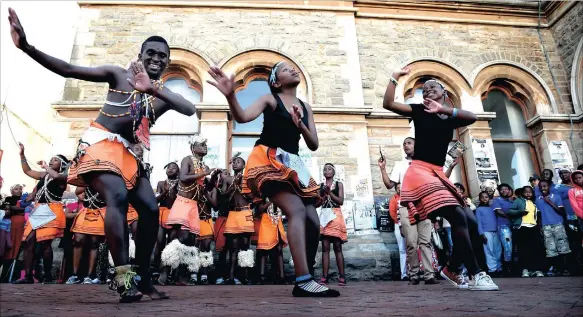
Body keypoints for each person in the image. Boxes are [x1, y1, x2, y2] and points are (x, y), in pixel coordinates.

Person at [9, 8, 198, 301]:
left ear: (167, 62)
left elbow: (190, 109)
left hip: (127, 155)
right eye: (151, 53)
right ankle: (123, 279)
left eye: (162, 56)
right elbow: (69, 69)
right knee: (118, 196)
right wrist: (27, 47)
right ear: (140, 54)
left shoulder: (160, 95)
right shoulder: (118, 74)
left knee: (149, 209)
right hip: (99, 144)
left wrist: (154, 90)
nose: (156, 59)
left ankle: (143, 277)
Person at [208, 62, 339, 297]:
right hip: (268, 159)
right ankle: (304, 280)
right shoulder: (270, 99)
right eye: (285, 69)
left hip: (293, 163)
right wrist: (230, 96)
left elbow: (314, 144)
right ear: (276, 82)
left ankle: (306, 275)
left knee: (312, 221)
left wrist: (300, 124)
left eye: (293, 68)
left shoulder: (306, 107)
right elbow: (243, 116)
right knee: (297, 210)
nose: (293, 70)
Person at [383, 66, 497, 290]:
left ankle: (452, 268)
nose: (427, 91)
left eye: (432, 88)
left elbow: (472, 117)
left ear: (444, 92)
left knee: (470, 221)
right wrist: (394, 78)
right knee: (456, 216)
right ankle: (477, 274)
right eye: (424, 89)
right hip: (419, 171)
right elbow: (388, 104)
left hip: (436, 171)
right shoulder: (418, 110)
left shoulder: (448, 117)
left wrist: (443, 110)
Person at [162, 136, 217, 286]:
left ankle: (180, 276)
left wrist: (213, 177)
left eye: (206, 145)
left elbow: (207, 189)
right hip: (183, 203)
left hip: (193, 206)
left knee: (190, 241)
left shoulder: (202, 164)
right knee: (182, 237)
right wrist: (203, 174)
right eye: (202, 145)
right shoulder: (187, 159)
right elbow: (183, 177)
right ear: (193, 148)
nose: (205, 147)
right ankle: (165, 271)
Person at [13, 143, 68, 284]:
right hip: (39, 209)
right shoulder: (44, 175)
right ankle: (28, 276)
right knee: (29, 241)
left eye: (55, 160)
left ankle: (48, 275)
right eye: (51, 159)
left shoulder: (63, 177)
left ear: (61, 165)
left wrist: (45, 166)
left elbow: (55, 176)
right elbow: (28, 171)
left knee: (45, 243)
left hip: (52, 209)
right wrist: (22, 154)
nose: (51, 161)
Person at [220, 156, 255, 285]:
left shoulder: (248, 179)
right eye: (234, 162)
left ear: (244, 165)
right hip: (233, 214)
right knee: (233, 247)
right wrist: (233, 184)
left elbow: (252, 197)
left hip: (245, 212)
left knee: (245, 247)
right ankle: (231, 277)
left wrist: (242, 185)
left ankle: (244, 276)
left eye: (238, 161)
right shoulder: (227, 179)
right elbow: (223, 195)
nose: (235, 163)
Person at [67, 187, 106, 284]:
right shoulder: (74, 204)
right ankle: (74, 274)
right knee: (78, 240)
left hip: (99, 210)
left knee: (94, 243)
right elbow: (77, 191)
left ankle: (90, 275)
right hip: (85, 211)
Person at [318, 163, 347, 286]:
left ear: (334, 172)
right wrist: (324, 195)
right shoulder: (321, 186)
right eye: (325, 169)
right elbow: (318, 203)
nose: (327, 170)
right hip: (325, 215)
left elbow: (340, 201)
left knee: (337, 247)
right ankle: (325, 276)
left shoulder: (339, 184)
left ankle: (342, 276)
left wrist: (330, 193)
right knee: (325, 248)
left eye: (329, 169)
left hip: (335, 215)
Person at [508, 186, 545, 277]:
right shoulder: (518, 201)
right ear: (522, 193)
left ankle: (536, 269)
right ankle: (525, 269)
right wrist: (520, 212)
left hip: (533, 227)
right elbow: (510, 211)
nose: (528, 194)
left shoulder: (533, 203)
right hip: (522, 227)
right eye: (526, 192)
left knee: (535, 249)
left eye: (530, 192)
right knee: (523, 249)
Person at [536, 179, 571, 276]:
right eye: (541, 187)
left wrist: (549, 202)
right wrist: (540, 227)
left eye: (545, 186)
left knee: (562, 246)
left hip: (558, 224)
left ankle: (565, 268)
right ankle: (557, 268)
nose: (543, 188)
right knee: (551, 248)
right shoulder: (538, 200)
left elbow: (562, 212)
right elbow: (539, 215)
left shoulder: (556, 197)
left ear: (549, 187)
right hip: (545, 225)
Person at [153, 162, 179, 280]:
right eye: (169, 167)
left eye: (174, 168)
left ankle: (168, 270)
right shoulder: (161, 183)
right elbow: (156, 199)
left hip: (174, 213)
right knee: (159, 242)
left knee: (171, 244)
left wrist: (175, 189)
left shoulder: (180, 184)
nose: (170, 169)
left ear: (178, 172)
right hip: (162, 213)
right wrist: (165, 191)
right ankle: (156, 269)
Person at [194, 168, 219, 285]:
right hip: (194, 221)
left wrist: (205, 193)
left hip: (207, 221)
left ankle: (204, 275)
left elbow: (215, 205)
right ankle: (193, 274)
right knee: (194, 249)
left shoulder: (212, 189)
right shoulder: (193, 187)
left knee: (206, 248)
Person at [255, 199, 288, 284]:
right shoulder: (263, 195)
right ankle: (262, 276)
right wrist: (271, 201)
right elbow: (259, 210)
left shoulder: (279, 195)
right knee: (264, 250)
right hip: (266, 220)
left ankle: (281, 276)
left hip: (277, 220)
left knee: (279, 249)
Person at [1, 184, 26, 282]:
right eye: (16, 189)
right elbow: (8, 208)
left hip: (22, 228)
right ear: (12, 191)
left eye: (20, 189)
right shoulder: (9, 198)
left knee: (18, 251)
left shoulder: (26, 200)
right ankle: (4, 276)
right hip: (11, 228)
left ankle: (13, 276)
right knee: (8, 249)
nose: (19, 190)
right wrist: (23, 210)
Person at [475, 192, 501, 276]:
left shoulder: (492, 208)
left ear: (489, 198)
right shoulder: (478, 209)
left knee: (498, 250)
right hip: (486, 232)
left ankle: (499, 268)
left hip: (496, 231)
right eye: (482, 197)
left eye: (486, 197)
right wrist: (482, 234)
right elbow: (478, 222)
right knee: (489, 251)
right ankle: (492, 270)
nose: (484, 199)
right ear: (479, 199)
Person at [492, 183, 514, 276]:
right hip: (503, 226)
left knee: (513, 247)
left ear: (509, 190)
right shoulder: (497, 200)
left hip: (513, 226)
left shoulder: (512, 201)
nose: (504, 191)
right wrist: (510, 216)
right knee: (507, 246)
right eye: (502, 189)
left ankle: (513, 267)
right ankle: (506, 268)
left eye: (506, 189)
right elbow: (498, 211)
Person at [214, 168, 231, 285]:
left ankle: (232, 276)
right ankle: (220, 275)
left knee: (233, 248)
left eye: (229, 174)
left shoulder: (235, 187)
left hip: (233, 219)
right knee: (222, 249)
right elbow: (215, 206)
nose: (228, 176)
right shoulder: (218, 189)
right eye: (225, 174)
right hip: (222, 219)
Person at [388, 183, 407, 281]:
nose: (400, 189)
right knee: (402, 249)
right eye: (398, 188)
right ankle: (404, 274)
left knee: (412, 248)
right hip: (398, 224)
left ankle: (414, 271)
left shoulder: (408, 197)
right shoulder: (394, 199)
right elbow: (392, 212)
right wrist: (399, 223)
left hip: (409, 224)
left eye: (401, 187)